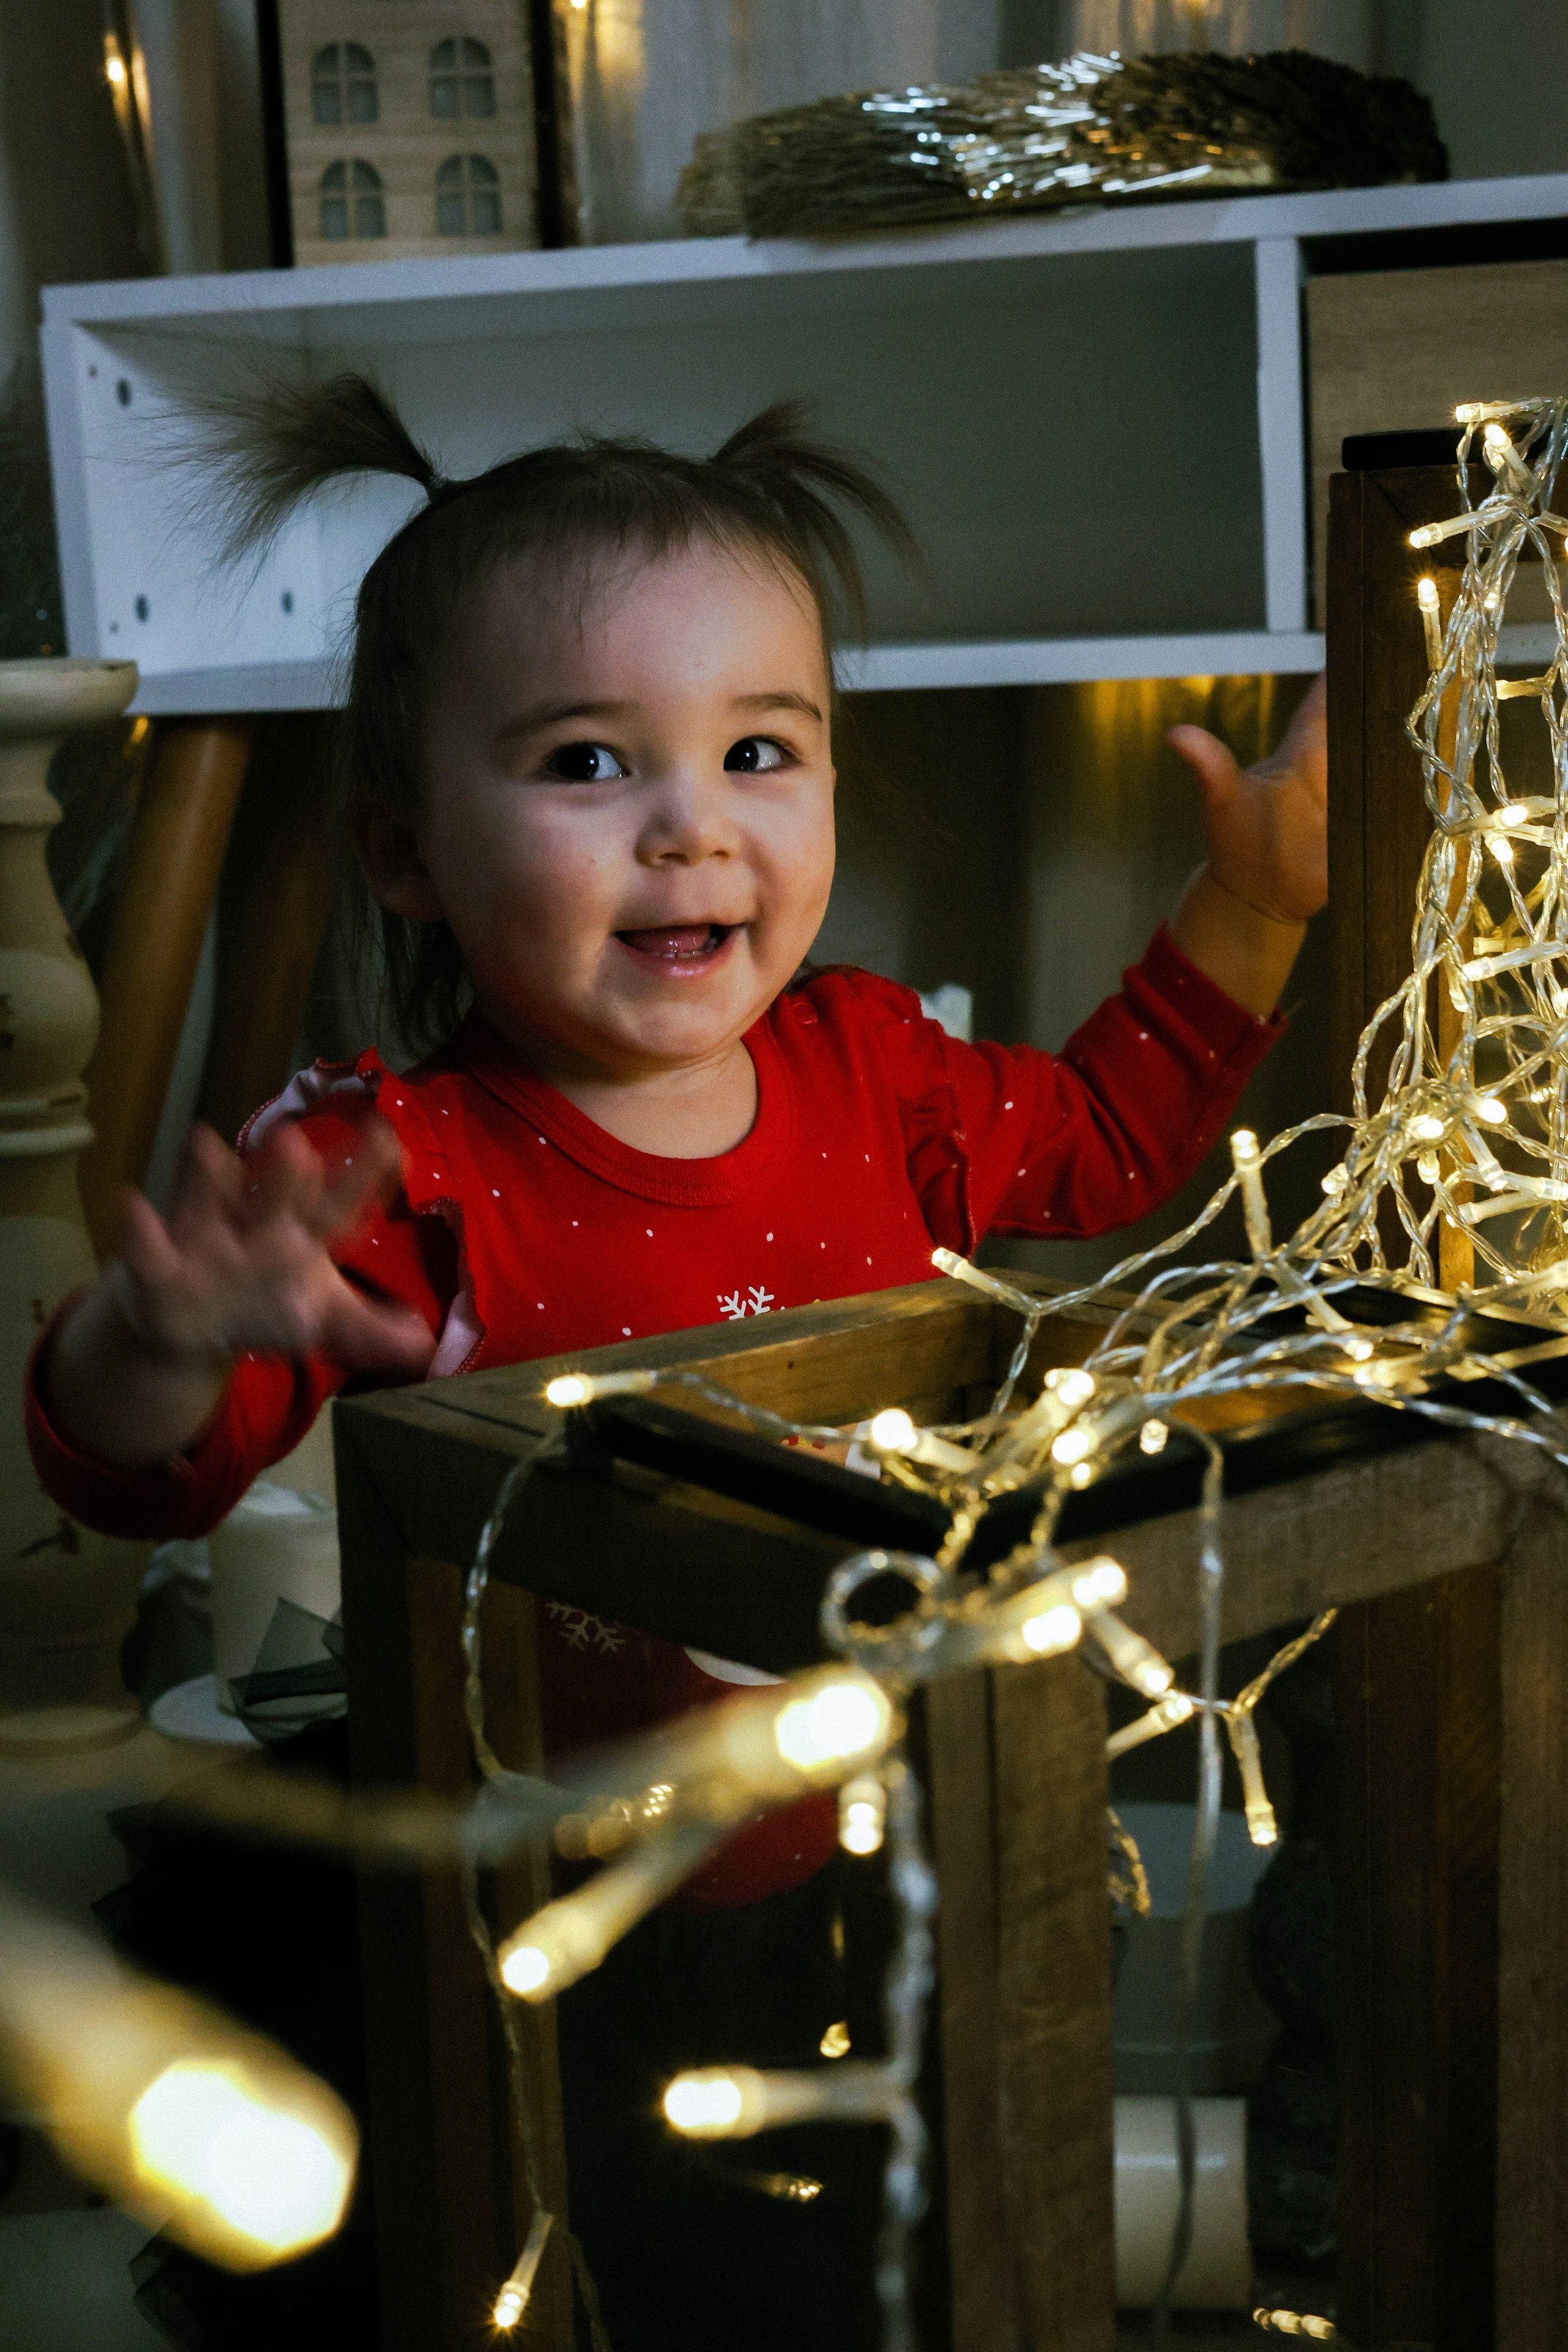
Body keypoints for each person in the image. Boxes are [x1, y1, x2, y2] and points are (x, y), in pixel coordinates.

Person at [26, 379, 1326, 2349]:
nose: (693, 822)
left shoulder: (878, 1073)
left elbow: (1101, 1147)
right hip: (533, 1904)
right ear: (403, 850)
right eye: (586, 761)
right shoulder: (392, 1162)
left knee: (857, 2259)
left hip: (865, 1844)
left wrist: (1252, 907)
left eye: (758, 750)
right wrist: (157, 1340)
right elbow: (141, 1474)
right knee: (556, 2272)